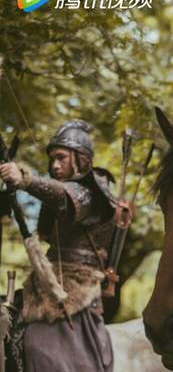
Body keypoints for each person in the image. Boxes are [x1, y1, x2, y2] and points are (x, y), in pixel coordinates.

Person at [0, 120, 115, 372]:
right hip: (48, 286)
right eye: (52, 159)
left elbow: (64, 195)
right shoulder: (63, 191)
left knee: (39, 346)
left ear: (81, 159)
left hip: (77, 291)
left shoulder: (92, 190)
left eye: (61, 157)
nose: (54, 165)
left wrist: (25, 179)